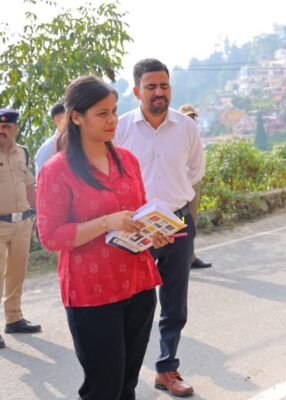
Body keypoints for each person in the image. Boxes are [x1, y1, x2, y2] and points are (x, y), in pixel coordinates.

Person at [36, 75, 170, 399]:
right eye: (102, 113)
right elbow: (50, 237)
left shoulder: (128, 161)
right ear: (76, 117)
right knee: (103, 388)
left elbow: (137, 214)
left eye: (114, 111)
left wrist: (153, 232)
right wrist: (106, 222)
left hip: (138, 284)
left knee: (127, 385)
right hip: (91, 292)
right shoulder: (57, 170)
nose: (112, 120)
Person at [114, 58, 204, 398]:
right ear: (137, 91)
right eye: (150, 86)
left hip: (177, 223)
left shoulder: (186, 127)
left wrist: (169, 203)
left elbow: (194, 171)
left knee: (174, 303)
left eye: (164, 85)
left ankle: (167, 368)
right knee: (131, 302)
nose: (158, 92)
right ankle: (122, 375)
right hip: (134, 225)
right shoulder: (121, 128)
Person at [0, 107, 42, 350]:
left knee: (17, 273)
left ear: (14, 128)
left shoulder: (22, 153)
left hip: (22, 222)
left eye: (7, 126)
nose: (2, 130)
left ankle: (14, 318)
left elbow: (29, 185)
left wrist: (36, 214)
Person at [178, 103, 212, 269]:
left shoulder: (192, 133)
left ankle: (190, 257)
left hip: (192, 183)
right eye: (188, 116)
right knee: (180, 223)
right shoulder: (175, 134)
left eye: (192, 116)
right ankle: (184, 259)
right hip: (179, 186)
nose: (190, 119)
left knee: (192, 221)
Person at [34, 102, 67, 178]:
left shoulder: (81, 142)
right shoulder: (47, 149)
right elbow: (42, 180)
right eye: (70, 118)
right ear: (57, 121)